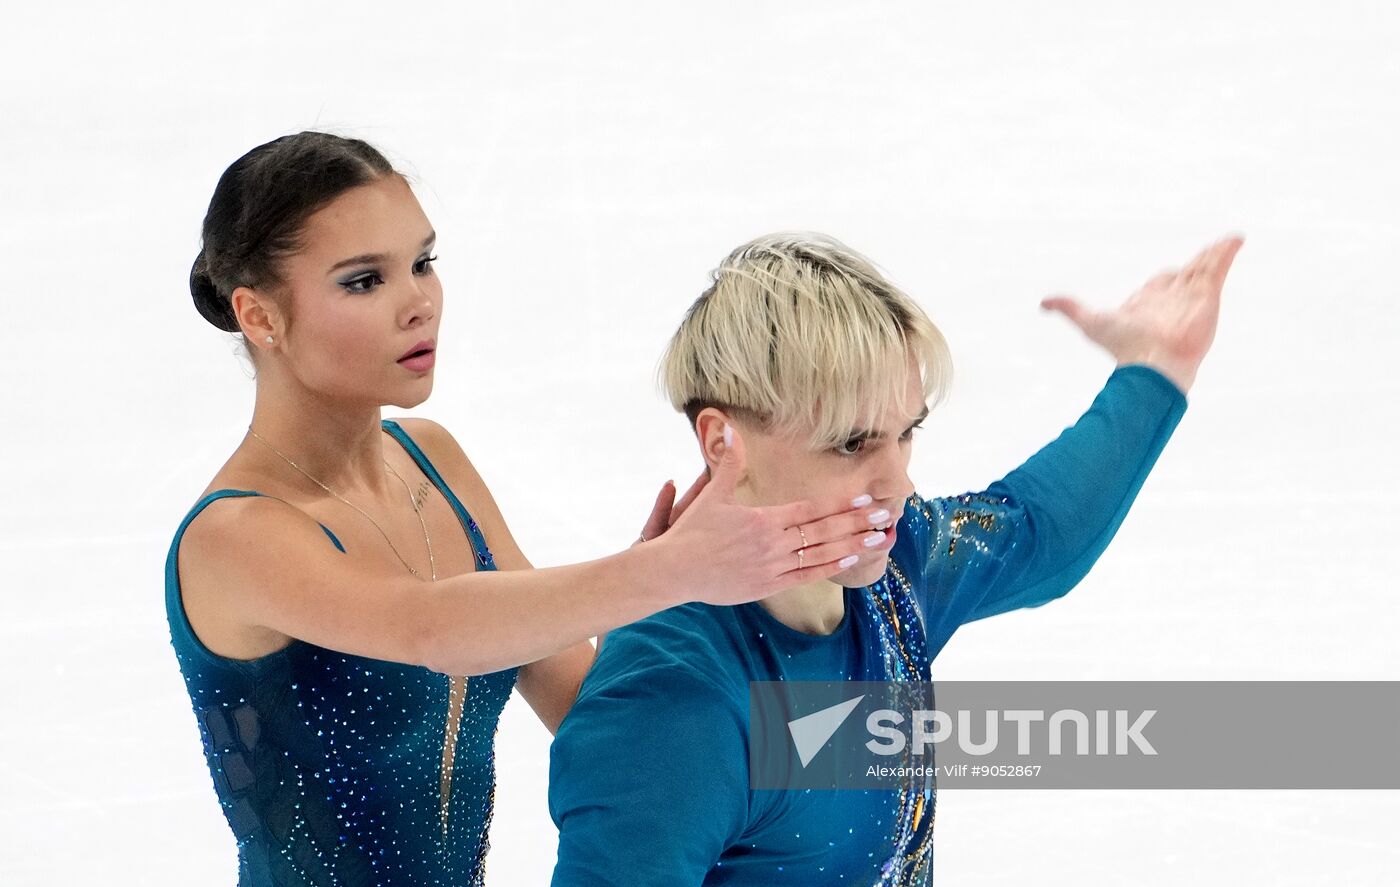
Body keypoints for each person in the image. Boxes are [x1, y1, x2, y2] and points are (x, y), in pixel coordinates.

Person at [165, 132, 883, 885]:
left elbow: (594, 712)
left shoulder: (431, 460)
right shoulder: (236, 536)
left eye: (423, 262)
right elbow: (434, 628)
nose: (418, 302)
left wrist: (924, 739)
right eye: (363, 281)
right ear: (259, 315)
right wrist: (665, 571)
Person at [548, 231, 1243, 884]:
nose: (899, 483)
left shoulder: (886, 574)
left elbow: (1039, 531)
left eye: (905, 433)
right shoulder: (672, 703)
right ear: (723, 441)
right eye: (852, 444)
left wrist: (1156, 368)